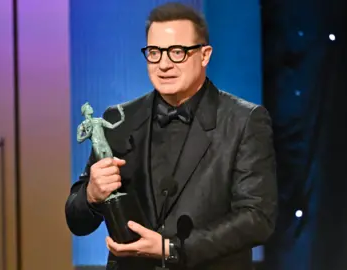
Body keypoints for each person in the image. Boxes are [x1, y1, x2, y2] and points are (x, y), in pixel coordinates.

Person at [65, 2, 278, 270]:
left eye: (177, 52)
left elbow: (257, 219)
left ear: (205, 55)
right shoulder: (118, 121)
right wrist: (91, 195)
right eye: (154, 52)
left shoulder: (244, 120)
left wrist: (173, 249)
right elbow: (77, 221)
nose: (163, 64)